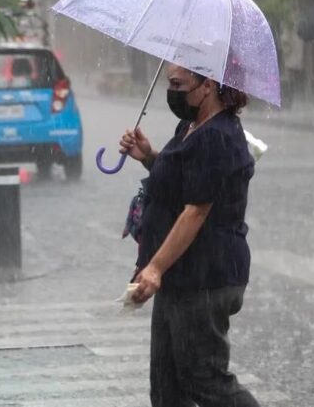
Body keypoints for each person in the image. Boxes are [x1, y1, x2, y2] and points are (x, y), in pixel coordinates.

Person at [119, 63, 260, 407]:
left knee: (205, 380)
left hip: (205, 277)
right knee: (167, 386)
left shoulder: (217, 135)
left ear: (207, 85)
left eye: (179, 83)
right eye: (170, 83)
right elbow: (181, 179)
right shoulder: (191, 126)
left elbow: (196, 211)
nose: (174, 92)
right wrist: (149, 156)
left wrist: (154, 268)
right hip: (180, 276)